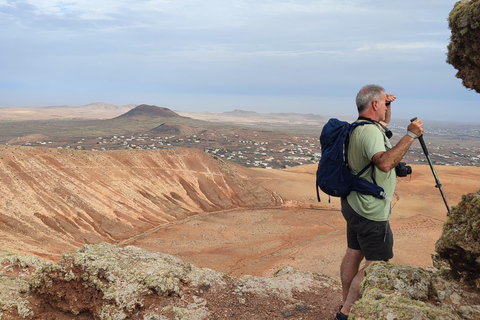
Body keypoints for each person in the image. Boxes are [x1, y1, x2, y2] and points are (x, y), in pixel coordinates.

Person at [334, 84, 424, 320]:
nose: (385, 106)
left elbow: (381, 125)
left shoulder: (360, 127)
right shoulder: (370, 133)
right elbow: (384, 163)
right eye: (383, 103)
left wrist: (389, 107)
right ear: (374, 104)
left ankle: (345, 302)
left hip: (354, 203)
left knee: (354, 252)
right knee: (377, 264)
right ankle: (345, 314)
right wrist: (411, 135)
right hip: (371, 210)